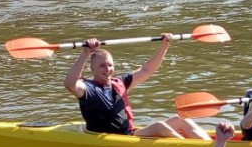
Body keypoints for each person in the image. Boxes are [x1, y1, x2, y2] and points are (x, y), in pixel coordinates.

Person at [63, 34, 210, 139]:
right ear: (92, 68)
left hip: (130, 133)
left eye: (110, 65)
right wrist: (85, 54)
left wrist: (164, 47)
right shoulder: (88, 88)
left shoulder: (118, 82)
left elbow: (146, 70)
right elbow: (69, 84)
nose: (107, 70)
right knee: (160, 126)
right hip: (117, 139)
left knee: (181, 120)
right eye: (102, 66)